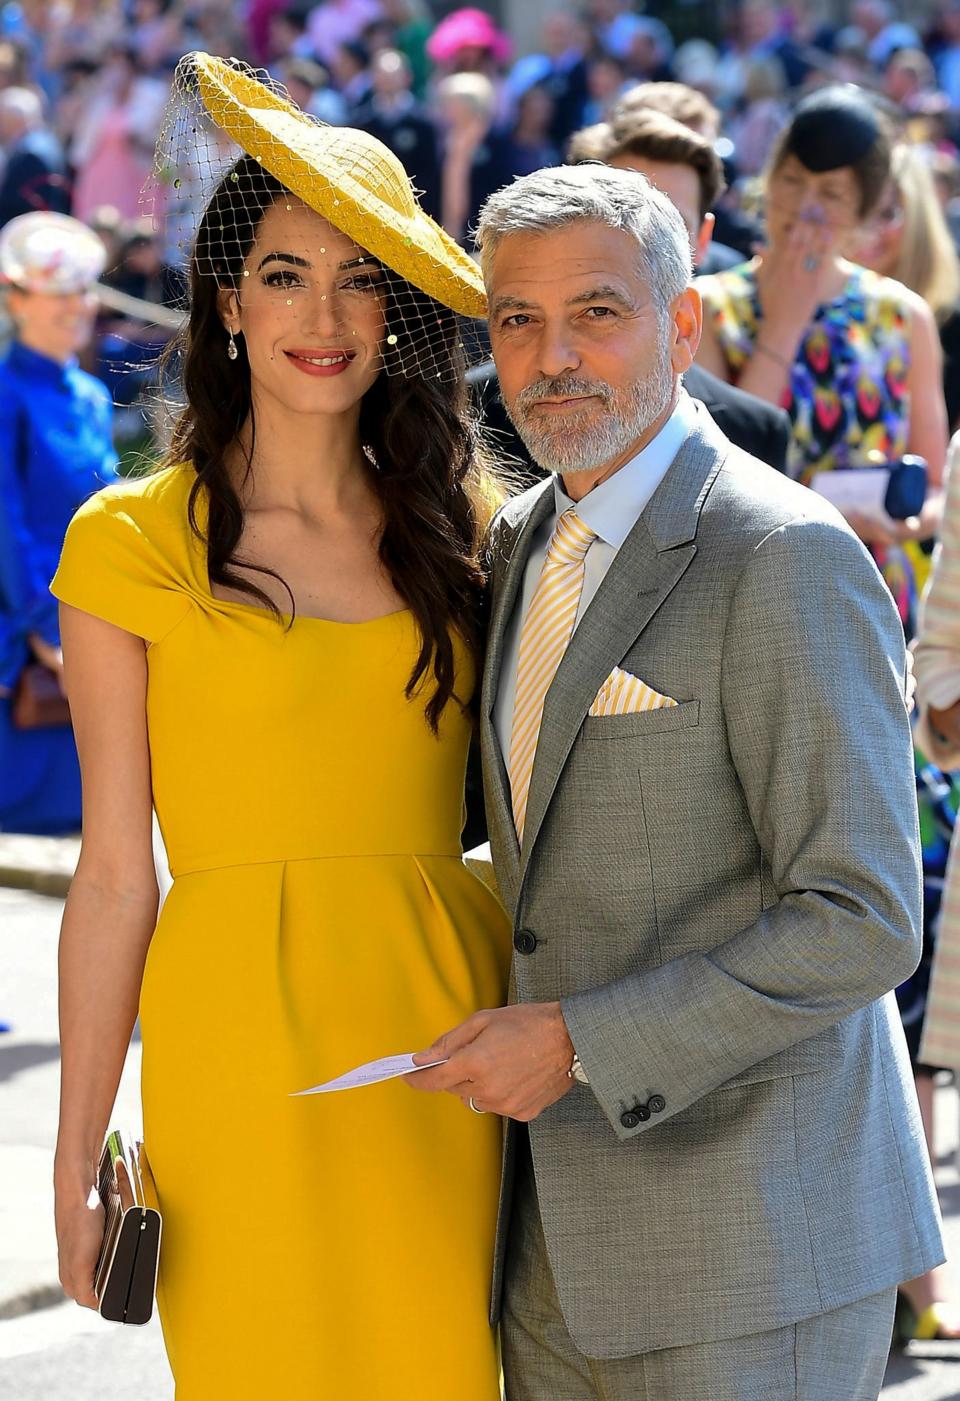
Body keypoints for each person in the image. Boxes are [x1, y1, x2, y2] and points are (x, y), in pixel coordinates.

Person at [408, 162, 943, 1400]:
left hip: (760, 1251)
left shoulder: (785, 553)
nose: (553, 358)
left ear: (684, 323)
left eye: (597, 311)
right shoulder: (520, 537)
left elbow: (863, 918)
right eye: (517, 321)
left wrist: (582, 1043)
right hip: (552, 1252)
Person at [51, 53, 510, 1399]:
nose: (326, 313)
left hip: (450, 1037)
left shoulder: (466, 528)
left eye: (360, 276)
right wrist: (79, 1161)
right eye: (287, 274)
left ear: (396, 314)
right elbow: (114, 872)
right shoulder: (128, 543)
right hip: (232, 1046)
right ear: (229, 304)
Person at [696, 85, 948, 636]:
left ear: (863, 211)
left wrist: (892, 517)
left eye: (831, 194)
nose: (806, 207)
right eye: (792, 181)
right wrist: (785, 323)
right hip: (759, 590)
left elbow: (936, 488)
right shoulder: (710, 308)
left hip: (876, 591)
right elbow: (719, 462)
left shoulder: (902, 316)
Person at [567, 110, 790, 470]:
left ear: (703, 241)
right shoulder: (488, 407)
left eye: (671, 224)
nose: (642, 244)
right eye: (618, 215)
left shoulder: (754, 432)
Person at [0, 211, 115, 834]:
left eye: (83, 291)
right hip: (26, 632)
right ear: (17, 301)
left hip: (89, 617)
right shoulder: (3, 393)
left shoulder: (92, 397)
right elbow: (5, 523)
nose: (78, 306)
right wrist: (46, 629)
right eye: (59, 294)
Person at [859, 143, 960, 432]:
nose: (868, 228)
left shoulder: (952, 325)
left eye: (887, 213)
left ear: (917, 218)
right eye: (859, 209)